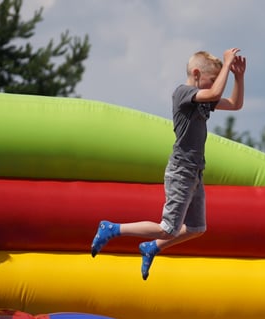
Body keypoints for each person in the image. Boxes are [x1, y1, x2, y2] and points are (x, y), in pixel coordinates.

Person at [90, 48, 247, 280]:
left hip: (195, 171)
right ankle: (112, 228)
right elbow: (214, 93)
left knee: (196, 228)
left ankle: (153, 246)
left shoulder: (203, 100)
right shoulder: (183, 93)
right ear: (196, 73)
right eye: (211, 79)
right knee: (168, 227)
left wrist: (238, 77)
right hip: (181, 170)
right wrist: (225, 66)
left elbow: (234, 104)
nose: (215, 84)